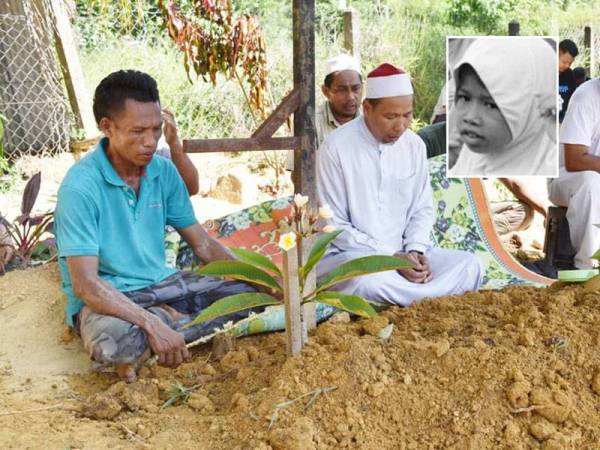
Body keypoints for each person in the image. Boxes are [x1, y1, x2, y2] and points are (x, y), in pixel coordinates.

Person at [54, 70, 258, 382]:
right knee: (115, 344)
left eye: (156, 130)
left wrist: (264, 282)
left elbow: (203, 244)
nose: (150, 142)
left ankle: (166, 322)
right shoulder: (80, 187)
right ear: (106, 127)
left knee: (250, 299)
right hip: (112, 297)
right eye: (138, 131)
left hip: (166, 283)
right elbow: (86, 285)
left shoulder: (162, 171)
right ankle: (169, 324)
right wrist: (150, 322)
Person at [316, 63, 483, 306]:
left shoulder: (414, 145)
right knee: (365, 284)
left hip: (405, 254)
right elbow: (333, 225)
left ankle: (408, 299)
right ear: (367, 108)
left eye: (407, 115)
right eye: (391, 116)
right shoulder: (335, 148)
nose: (400, 126)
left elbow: (421, 209)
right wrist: (391, 258)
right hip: (356, 256)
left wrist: (415, 251)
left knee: (470, 265)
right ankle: (426, 299)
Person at [448, 38, 556, 177]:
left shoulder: (549, 173)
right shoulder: (467, 159)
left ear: (532, 107)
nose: (470, 117)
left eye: (490, 105)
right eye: (465, 98)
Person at [548, 77, 600, 269]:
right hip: (567, 178)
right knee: (591, 181)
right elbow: (575, 160)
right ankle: (589, 266)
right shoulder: (586, 97)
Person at [558, 39, 579, 123]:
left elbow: (573, 98)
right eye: (564, 62)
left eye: (570, 63)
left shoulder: (569, 74)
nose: (566, 66)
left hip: (562, 120)